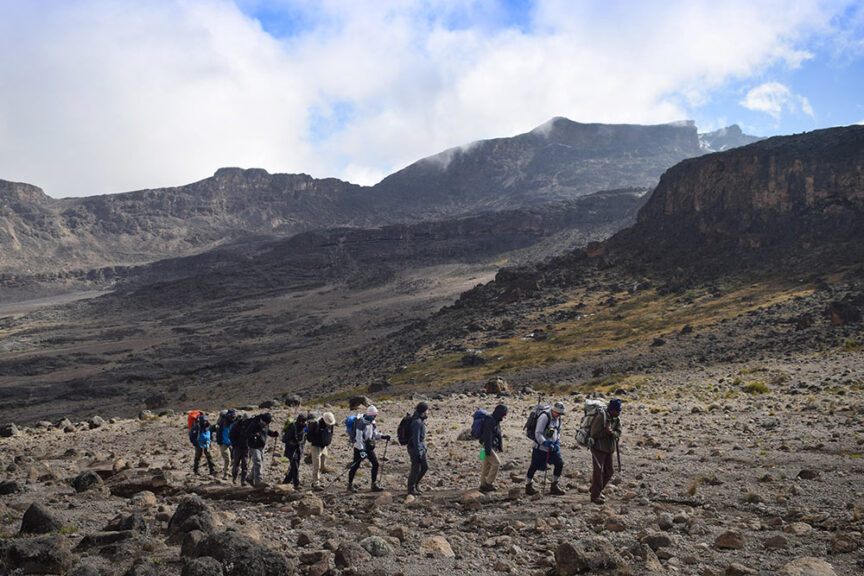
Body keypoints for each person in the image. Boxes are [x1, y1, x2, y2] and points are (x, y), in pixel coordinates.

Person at [526, 401, 566, 496]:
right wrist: (544, 442)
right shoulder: (544, 417)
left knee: (559, 464)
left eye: (560, 414)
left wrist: (557, 442)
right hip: (540, 448)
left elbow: (558, 431)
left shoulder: (559, 418)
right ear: (553, 411)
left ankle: (554, 486)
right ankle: (528, 486)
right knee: (534, 466)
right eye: (557, 413)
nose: (558, 416)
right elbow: (538, 433)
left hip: (553, 448)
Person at [347, 405, 391, 492]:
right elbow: (358, 439)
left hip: (368, 447)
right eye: (374, 415)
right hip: (359, 448)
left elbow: (374, 434)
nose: (375, 417)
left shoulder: (372, 423)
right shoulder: (361, 423)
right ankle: (349, 485)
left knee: (375, 463)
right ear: (370, 415)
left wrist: (383, 436)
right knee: (356, 465)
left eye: (376, 415)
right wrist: (362, 451)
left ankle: (373, 484)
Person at [589, 398, 622, 505]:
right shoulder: (601, 417)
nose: (618, 413)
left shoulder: (616, 419)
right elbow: (594, 434)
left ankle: (596, 489)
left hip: (609, 449)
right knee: (598, 472)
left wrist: (611, 433)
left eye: (619, 410)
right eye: (617, 411)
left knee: (609, 471)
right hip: (598, 448)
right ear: (611, 410)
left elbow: (618, 432)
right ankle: (594, 496)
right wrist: (606, 432)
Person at [479, 404, 508, 493]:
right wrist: (488, 449)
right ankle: (488, 484)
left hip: (485, 447)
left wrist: (499, 447)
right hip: (487, 446)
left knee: (486, 465)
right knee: (496, 463)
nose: (505, 416)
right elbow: (488, 436)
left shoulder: (495, 420)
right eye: (504, 414)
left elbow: (498, 434)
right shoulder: (490, 421)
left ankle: (483, 485)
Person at [245, 412, 279, 488]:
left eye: (267, 423)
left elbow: (266, 431)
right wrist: (254, 436)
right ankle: (258, 482)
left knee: (258, 462)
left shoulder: (266, 423)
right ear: (262, 420)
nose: (266, 424)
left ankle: (250, 478)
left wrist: (273, 433)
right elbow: (247, 434)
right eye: (265, 423)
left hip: (261, 446)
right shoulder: (254, 423)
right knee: (258, 462)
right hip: (253, 446)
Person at [307, 412, 336, 490]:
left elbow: (331, 434)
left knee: (322, 463)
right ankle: (315, 483)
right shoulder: (316, 424)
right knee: (316, 465)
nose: (329, 425)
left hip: (324, 446)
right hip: (315, 446)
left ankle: (318, 478)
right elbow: (309, 437)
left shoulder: (331, 425)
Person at [406, 402, 429, 495]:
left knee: (424, 467)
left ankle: (415, 485)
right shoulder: (417, 422)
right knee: (416, 468)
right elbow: (416, 438)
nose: (428, 412)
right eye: (427, 410)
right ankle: (411, 488)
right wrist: (418, 451)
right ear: (424, 411)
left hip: (419, 448)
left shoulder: (419, 420)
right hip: (415, 449)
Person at [282, 414, 308, 489]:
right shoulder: (293, 427)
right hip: (291, 450)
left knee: (295, 466)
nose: (304, 423)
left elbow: (305, 436)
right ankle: (296, 484)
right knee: (295, 466)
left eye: (304, 422)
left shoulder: (304, 427)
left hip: (299, 450)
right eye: (302, 422)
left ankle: (286, 482)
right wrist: (294, 442)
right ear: (299, 421)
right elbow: (285, 439)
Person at [214, 409, 237, 480]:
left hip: (232, 443)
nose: (232, 418)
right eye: (231, 417)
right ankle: (226, 474)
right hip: (224, 443)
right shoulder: (223, 422)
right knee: (227, 459)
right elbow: (215, 430)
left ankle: (228, 470)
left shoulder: (235, 422)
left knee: (234, 459)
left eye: (234, 417)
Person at [229, 414, 250, 485]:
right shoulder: (237, 425)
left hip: (246, 447)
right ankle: (234, 478)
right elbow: (231, 435)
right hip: (237, 447)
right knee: (236, 463)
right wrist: (234, 444)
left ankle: (243, 480)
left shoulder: (250, 425)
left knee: (245, 464)